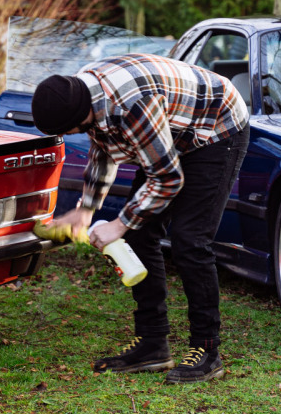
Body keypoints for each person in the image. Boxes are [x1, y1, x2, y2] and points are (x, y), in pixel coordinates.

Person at [31, 54, 249, 384]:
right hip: (170, 132)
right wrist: (86, 208)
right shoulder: (81, 94)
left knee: (190, 240)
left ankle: (207, 351)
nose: (78, 133)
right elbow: (102, 146)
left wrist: (118, 224)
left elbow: (168, 179)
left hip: (215, 128)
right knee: (139, 234)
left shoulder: (132, 106)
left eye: (72, 130)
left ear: (80, 117)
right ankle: (153, 345)